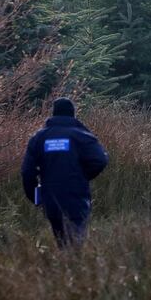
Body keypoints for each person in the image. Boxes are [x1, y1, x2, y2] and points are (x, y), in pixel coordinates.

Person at [21, 98, 109, 247]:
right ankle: (72, 267)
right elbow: (100, 160)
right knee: (75, 241)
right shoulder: (82, 136)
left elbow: (27, 172)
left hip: (50, 198)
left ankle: (65, 266)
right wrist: (83, 176)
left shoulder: (39, 138)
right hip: (76, 197)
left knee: (61, 239)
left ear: (53, 114)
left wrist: (36, 197)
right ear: (73, 115)